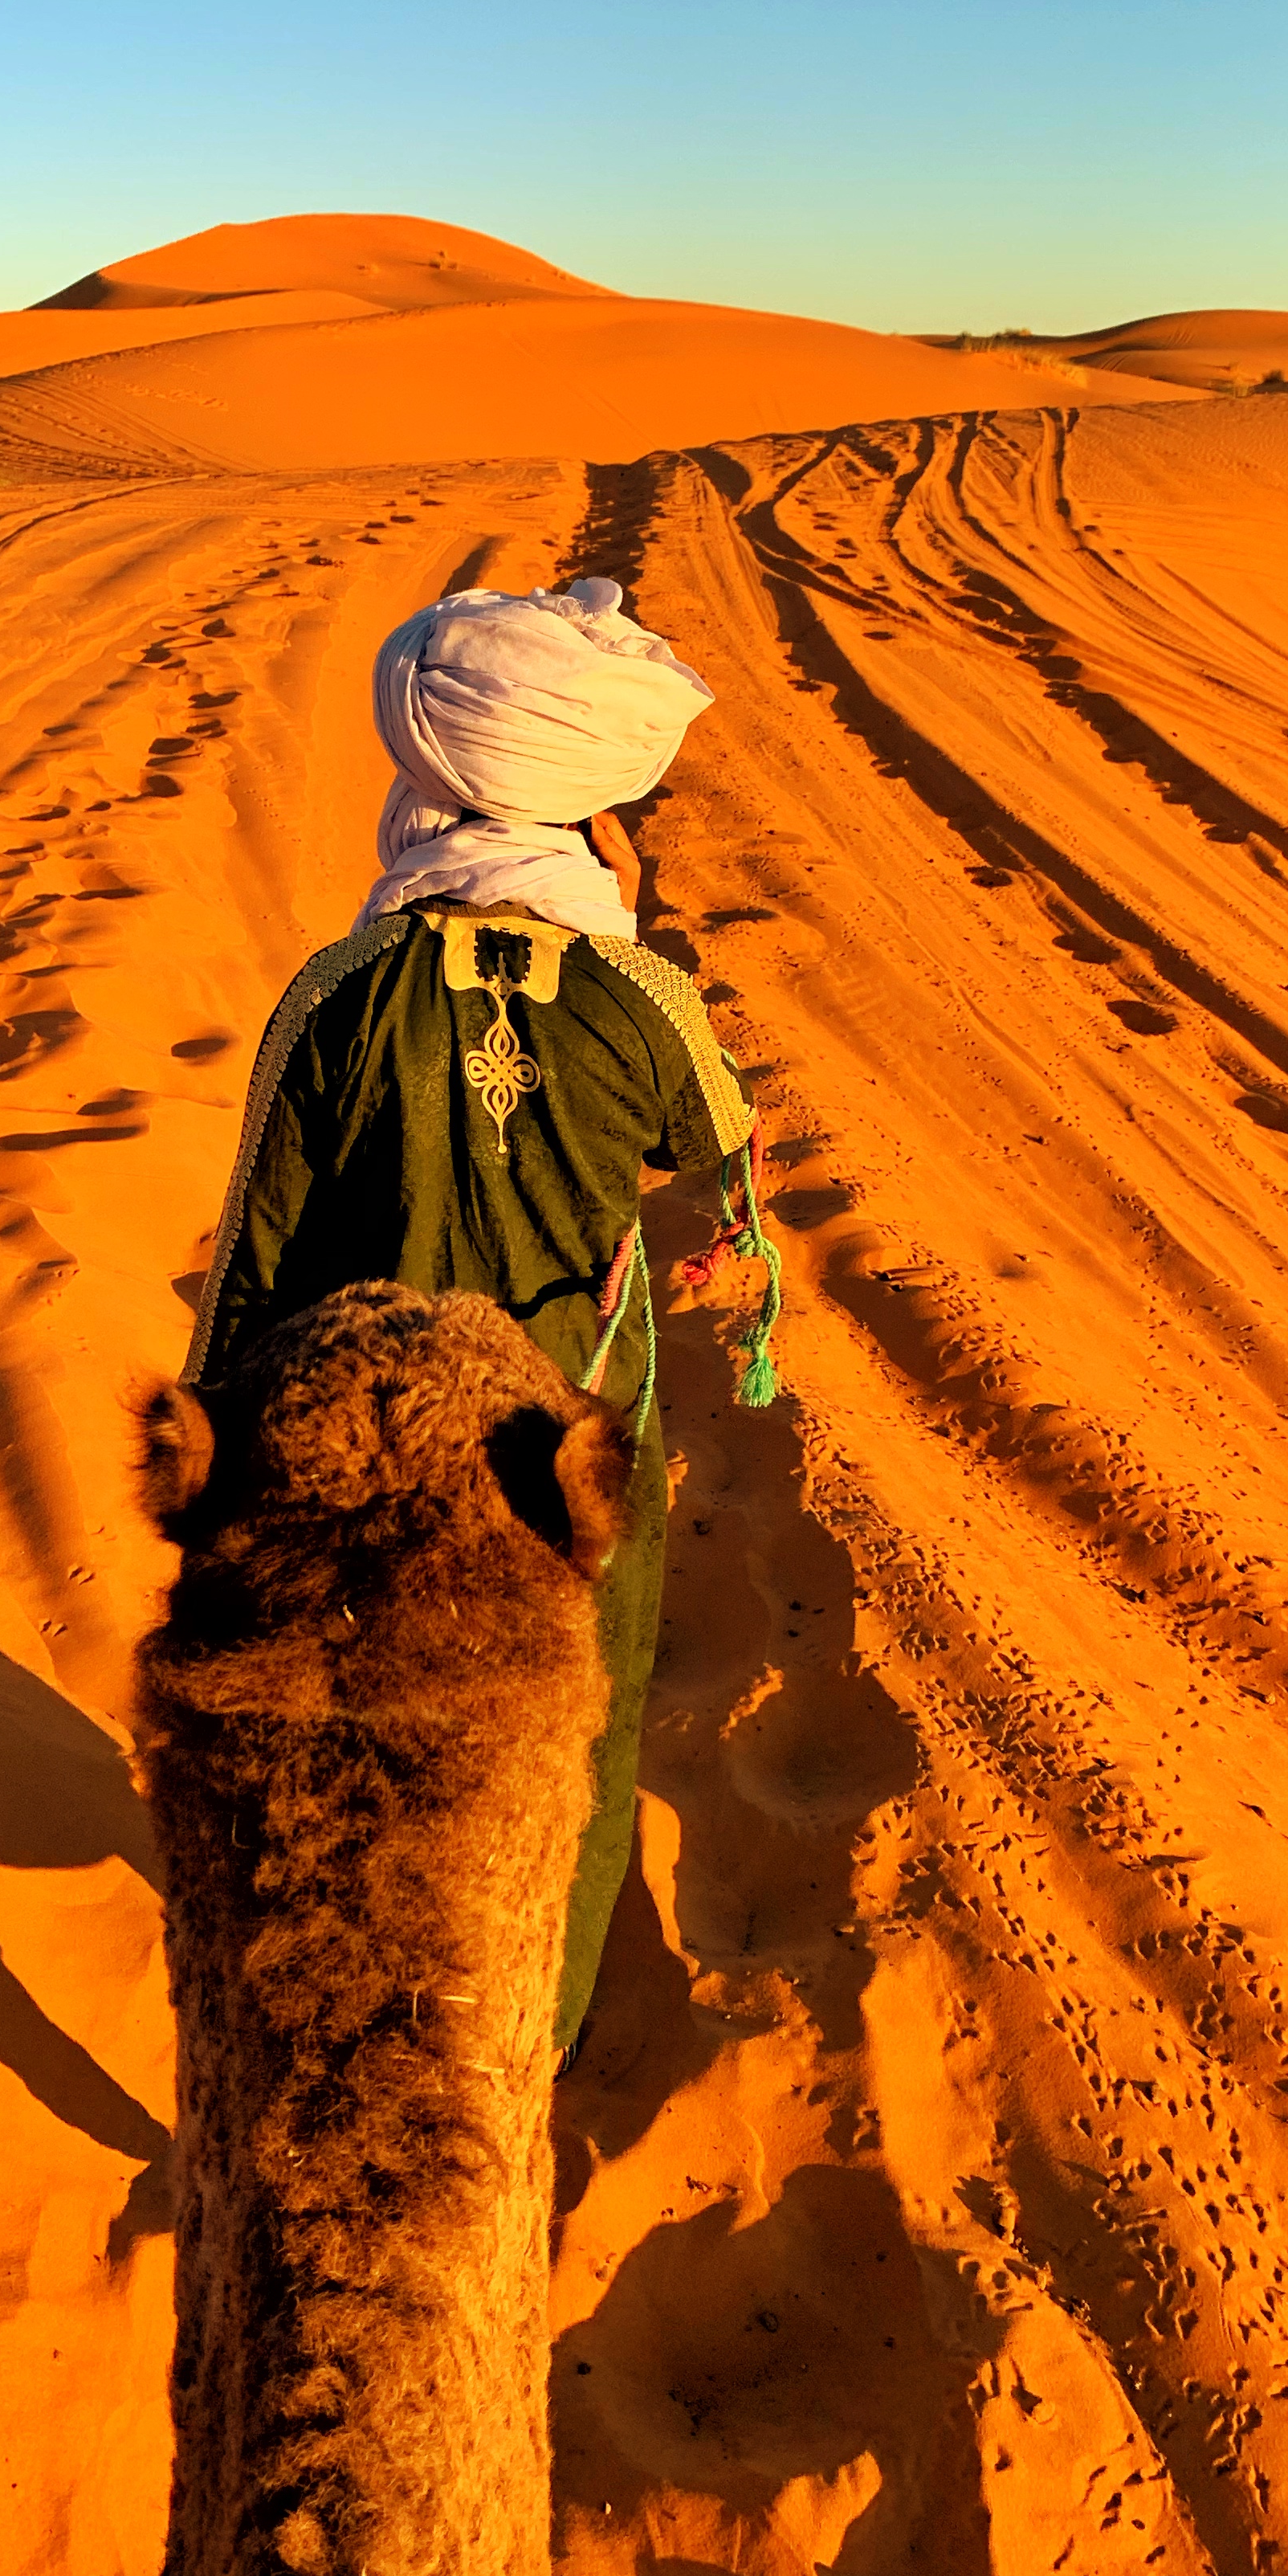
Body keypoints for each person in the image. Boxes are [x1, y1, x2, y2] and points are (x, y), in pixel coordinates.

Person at [185, 574, 781, 2053]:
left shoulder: (338, 991)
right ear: (583, 809)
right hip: (565, 1444)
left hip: (358, 1462)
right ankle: (535, 2035)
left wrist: (210, 1473)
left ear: (432, 780)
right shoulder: (644, 1001)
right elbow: (722, 1176)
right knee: (582, 1731)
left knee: (335, 1746)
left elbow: (255, 1254)